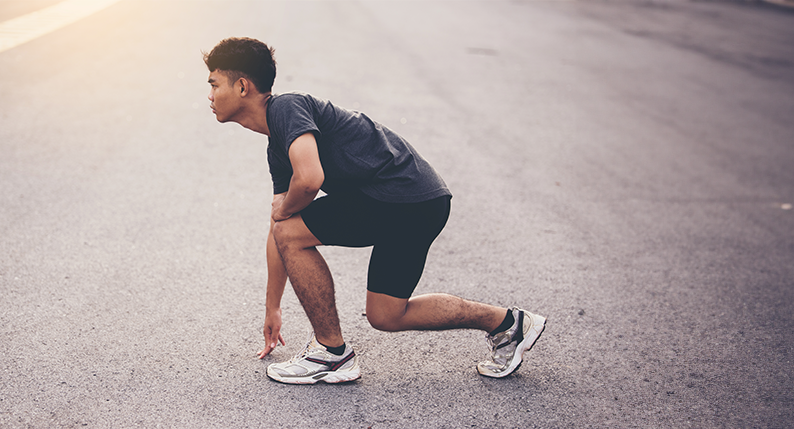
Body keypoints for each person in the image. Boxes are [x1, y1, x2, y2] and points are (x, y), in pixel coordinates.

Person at [204, 37, 546, 384]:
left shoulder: (286, 109)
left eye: (214, 84)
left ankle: (331, 353)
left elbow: (308, 181)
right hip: (417, 202)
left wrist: (283, 210)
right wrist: (272, 306)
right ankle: (508, 324)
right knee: (386, 314)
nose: (210, 95)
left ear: (243, 86)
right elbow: (280, 223)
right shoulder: (278, 146)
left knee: (289, 229)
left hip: (401, 196)